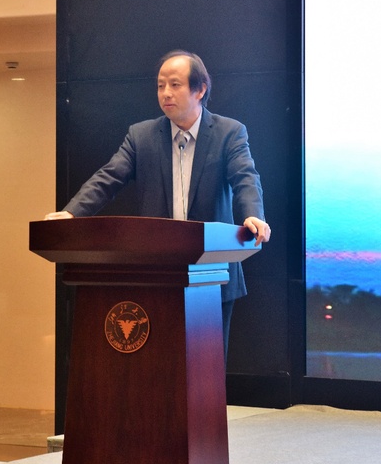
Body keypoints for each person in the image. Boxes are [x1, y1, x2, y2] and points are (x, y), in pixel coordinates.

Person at [45, 49, 270, 359]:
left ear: (200, 89)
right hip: (156, 272)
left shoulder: (228, 133)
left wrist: (252, 215)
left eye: (175, 84)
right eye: (160, 85)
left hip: (212, 271)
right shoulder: (142, 136)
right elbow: (108, 177)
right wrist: (72, 213)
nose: (166, 93)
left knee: (207, 365)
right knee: (157, 364)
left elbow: (245, 177)